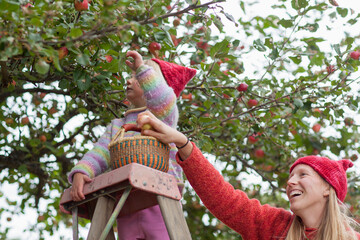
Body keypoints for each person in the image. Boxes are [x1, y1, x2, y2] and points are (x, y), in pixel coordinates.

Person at [136, 111, 360, 240]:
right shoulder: (275, 226)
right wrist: (182, 143)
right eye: (291, 176)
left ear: (327, 188)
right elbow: (224, 200)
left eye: (303, 174)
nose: (291, 182)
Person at [68, 50, 196, 240]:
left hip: (159, 202)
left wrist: (141, 69)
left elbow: (163, 100)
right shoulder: (117, 126)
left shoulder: (163, 118)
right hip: (125, 204)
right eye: (131, 76)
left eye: (137, 78)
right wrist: (82, 171)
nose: (129, 80)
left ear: (155, 85)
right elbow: (100, 152)